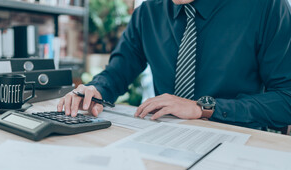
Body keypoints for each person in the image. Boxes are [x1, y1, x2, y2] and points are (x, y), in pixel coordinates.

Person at [58, 0, 291, 129]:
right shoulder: (147, 14)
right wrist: (94, 91)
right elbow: (118, 73)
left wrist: (203, 109)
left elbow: (286, 99)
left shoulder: (267, 7)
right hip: (165, 137)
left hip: (238, 141)